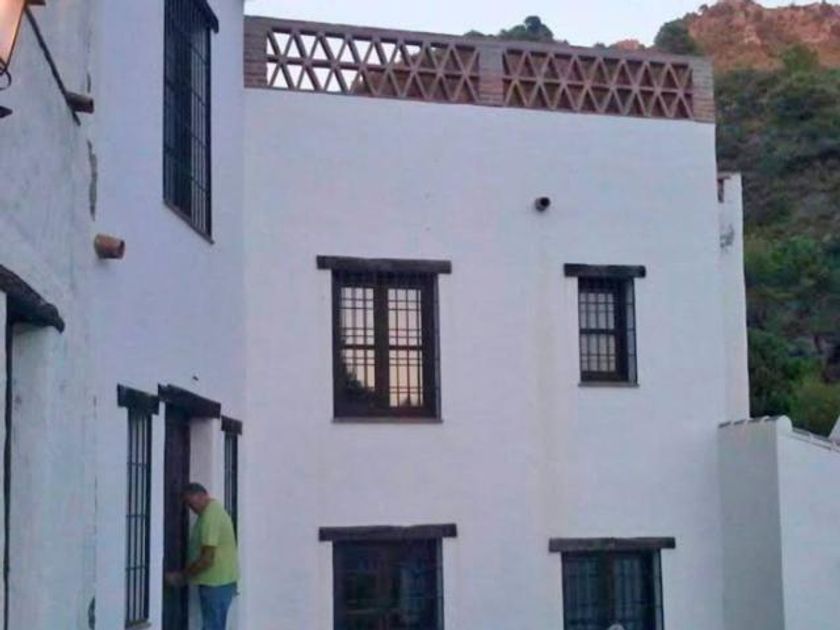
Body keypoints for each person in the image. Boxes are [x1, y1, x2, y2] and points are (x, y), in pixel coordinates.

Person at [165, 482, 239, 630]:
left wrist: (182, 576)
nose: (190, 508)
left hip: (216, 584)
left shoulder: (210, 516)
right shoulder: (212, 512)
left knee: (212, 626)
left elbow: (207, 558)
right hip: (220, 582)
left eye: (191, 503)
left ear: (202, 495)